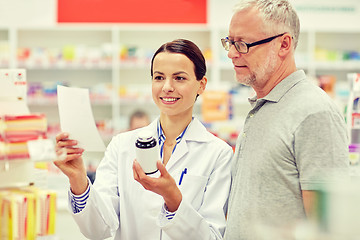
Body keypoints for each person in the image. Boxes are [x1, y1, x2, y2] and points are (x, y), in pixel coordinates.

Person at [54, 39, 233, 240]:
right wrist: (78, 179)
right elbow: (99, 230)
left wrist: (174, 200)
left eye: (179, 78)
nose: (167, 87)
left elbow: (213, 237)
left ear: (201, 85)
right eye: (159, 77)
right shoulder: (122, 146)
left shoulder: (219, 154)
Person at [221, 0, 349, 239]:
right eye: (229, 42)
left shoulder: (314, 112)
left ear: (283, 44)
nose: (231, 53)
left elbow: (329, 227)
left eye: (242, 44)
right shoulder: (262, 106)